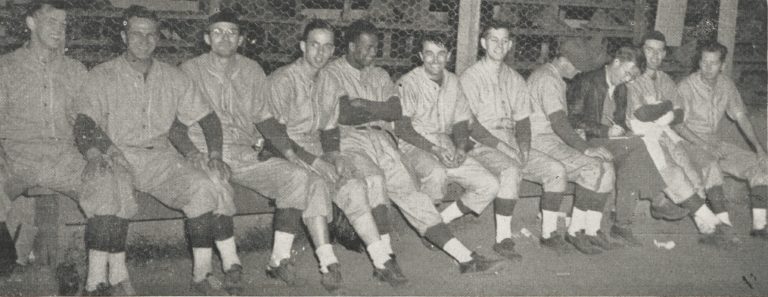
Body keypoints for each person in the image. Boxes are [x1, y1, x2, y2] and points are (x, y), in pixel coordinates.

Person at [311, 19, 504, 274]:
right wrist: (371, 108)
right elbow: (345, 114)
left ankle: (465, 257)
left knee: (412, 194)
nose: (372, 53)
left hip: (382, 139)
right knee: (375, 181)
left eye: (375, 48)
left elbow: (395, 110)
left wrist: (363, 105)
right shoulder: (332, 73)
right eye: (366, 48)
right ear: (350, 46)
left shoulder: (379, 74)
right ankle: (386, 259)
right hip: (350, 140)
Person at [75, 5, 241, 295]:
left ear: (158, 38)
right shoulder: (102, 75)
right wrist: (103, 151)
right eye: (136, 33)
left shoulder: (172, 76)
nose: (144, 40)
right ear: (124, 35)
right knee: (107, 189)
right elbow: (84, 123)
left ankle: (202, 274)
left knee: (203, 186)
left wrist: (214, 155)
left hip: (160, 157)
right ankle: (99, 281)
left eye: (151, 34)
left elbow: (209, 118)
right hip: (118, 153)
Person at [181, 13, 351, 292]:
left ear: (241, 39)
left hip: (244, 150)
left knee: (296, 176)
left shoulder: (252, 70)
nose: (225, 38)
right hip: (205, 149)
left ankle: (278, 259)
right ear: (206, 38)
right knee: (215, 184)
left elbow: (264, 119)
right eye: (218, 32)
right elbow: (181, 122)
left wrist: (289, 151)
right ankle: (230, 263)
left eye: (232, 32)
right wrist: (196, 154)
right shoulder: (189, 70)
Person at [0, 1, 136, 295]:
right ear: (31, 23)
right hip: (17, 158)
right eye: (51, 22)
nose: (59, 30)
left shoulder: (75, 70)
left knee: (109, 181)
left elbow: (88, 121)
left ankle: (97, 281)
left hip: (64, 158)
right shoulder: (6, 67)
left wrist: (104, 151)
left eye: (63, 24)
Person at [267, 19, 409, 289]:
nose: (321, 53)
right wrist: (316, 161)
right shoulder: (282, 79)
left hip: (317, 150)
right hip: (283, 151)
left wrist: (333, 155)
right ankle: (328, 263)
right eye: (314, 45)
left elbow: (330, 129)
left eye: (327, 47)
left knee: (353, 185)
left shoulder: (328, 81)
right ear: (302, 46)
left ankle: (382, 261)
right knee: (315, 183)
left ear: (333, 50)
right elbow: (274, 136)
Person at [459, 22, 593, 256]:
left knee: (555, 169)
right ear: (483, 43)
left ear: (510, 44)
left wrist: (523, 145)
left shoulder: (515, 78)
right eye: (493, 40)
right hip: (480, 144)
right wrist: (505, 148)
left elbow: (523, 120)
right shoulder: (471, 77)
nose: (499, 45)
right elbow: (471, 125)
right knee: (510, 170)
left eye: (504, 41)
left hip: (510, 140)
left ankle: (549, 233)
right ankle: (503, 238)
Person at [393, 32, 516, 267]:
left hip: (446, 142)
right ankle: (431, 228)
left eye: (441, 54)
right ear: (420, 55)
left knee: (489, 184)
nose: (435, 60)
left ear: (448, 56)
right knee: (437, 174)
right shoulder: (408, 82)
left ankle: (438, 223)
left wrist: (460, 147)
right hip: (415, 144)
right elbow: (403, 128)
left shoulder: (453, 81)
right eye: (429, 53)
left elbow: (461, 121)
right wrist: (435, 150)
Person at [567, 45, 691, 246]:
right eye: (627, 73)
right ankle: (656, 202)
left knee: (632, 161)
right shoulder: (587, 80)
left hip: (613, 142)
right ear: (616, 62)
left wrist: (625, 130)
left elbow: (620, 121)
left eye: (633, 76)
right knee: (636, 149)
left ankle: (622, 224)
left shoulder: (622, 89)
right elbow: (572, 119)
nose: (628, 79)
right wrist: (604, 130)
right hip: (587, 140)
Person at [624, 32, 735, 248]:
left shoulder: (666, 79)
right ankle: (716, 226)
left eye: (660, 50)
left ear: (665, 53)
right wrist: (666, 109)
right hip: (641, 138)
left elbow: (680, 115)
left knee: (703, 165)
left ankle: (714, 226)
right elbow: (643, 115)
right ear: (641, 50)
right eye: (649, 49)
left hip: (668, 135)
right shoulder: (633, 77)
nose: (654, 55)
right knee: (674, 173)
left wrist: (662, 111)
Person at [525, 38, 621, 255]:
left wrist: (580, 139)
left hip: (551, 140)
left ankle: (591, 229)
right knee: (593, 166)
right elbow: (558, 122)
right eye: (576, 66)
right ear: (564, 61)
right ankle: (574, 230)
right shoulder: (547, 79)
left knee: (605, 166)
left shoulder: (553, 76)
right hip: (540, 142)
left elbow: (561, 122)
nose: (578, 71)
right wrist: (585, 148)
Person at [674, 40, 768, 241]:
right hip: (689, 143)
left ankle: (760, 226)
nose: (707, 68)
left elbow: (741, 116)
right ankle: (724, 227)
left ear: (722, 65)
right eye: (704, 62)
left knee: (759, 165)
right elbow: (677, 125)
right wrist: (705, 146)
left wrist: (759, 149)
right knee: (711, 166)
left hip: (715, 143)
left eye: (713, 63)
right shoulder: (686, 86)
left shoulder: (726, 84)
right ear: (698, 62)